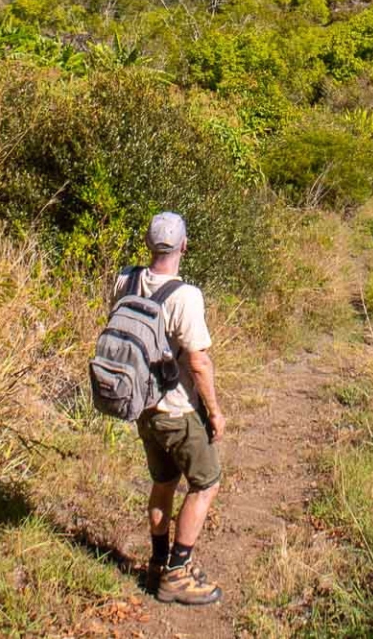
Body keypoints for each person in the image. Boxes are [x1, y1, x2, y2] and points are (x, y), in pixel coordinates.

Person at [111, 210, 226, 606]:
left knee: (163, 483)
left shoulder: (124, 279)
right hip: (176, 410)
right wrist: (214, 411)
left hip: (141, 405)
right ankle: (177, 572)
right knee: (205, 483)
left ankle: (158, 562)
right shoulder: (185, 297)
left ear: (149, 244)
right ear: (184, 246)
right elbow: (197, 361)